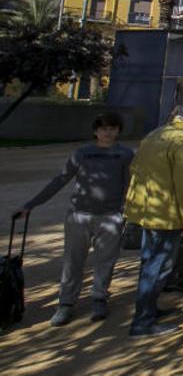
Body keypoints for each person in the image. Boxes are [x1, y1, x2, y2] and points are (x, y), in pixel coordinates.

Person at [15, 112, 133, 327]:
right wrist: (30, 204)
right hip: (80, 215)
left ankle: (99, 297)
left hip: (110, 216)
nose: (108, 132)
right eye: (103, 128)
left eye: (112, 128)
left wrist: (127, 212)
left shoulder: (125, 154)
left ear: (118, 131)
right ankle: (66, 303)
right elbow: (60, 180)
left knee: (105, 261)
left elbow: (130, 185)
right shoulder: (82, 154)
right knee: (73, 260)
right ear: (95, 131)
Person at [125, 100, 183, 338]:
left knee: (148, 263)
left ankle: (147, 310)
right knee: (158, 267)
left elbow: (135, 169)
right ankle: (143, 322)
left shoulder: (156, 133)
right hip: (167, 214)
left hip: (146, 210)